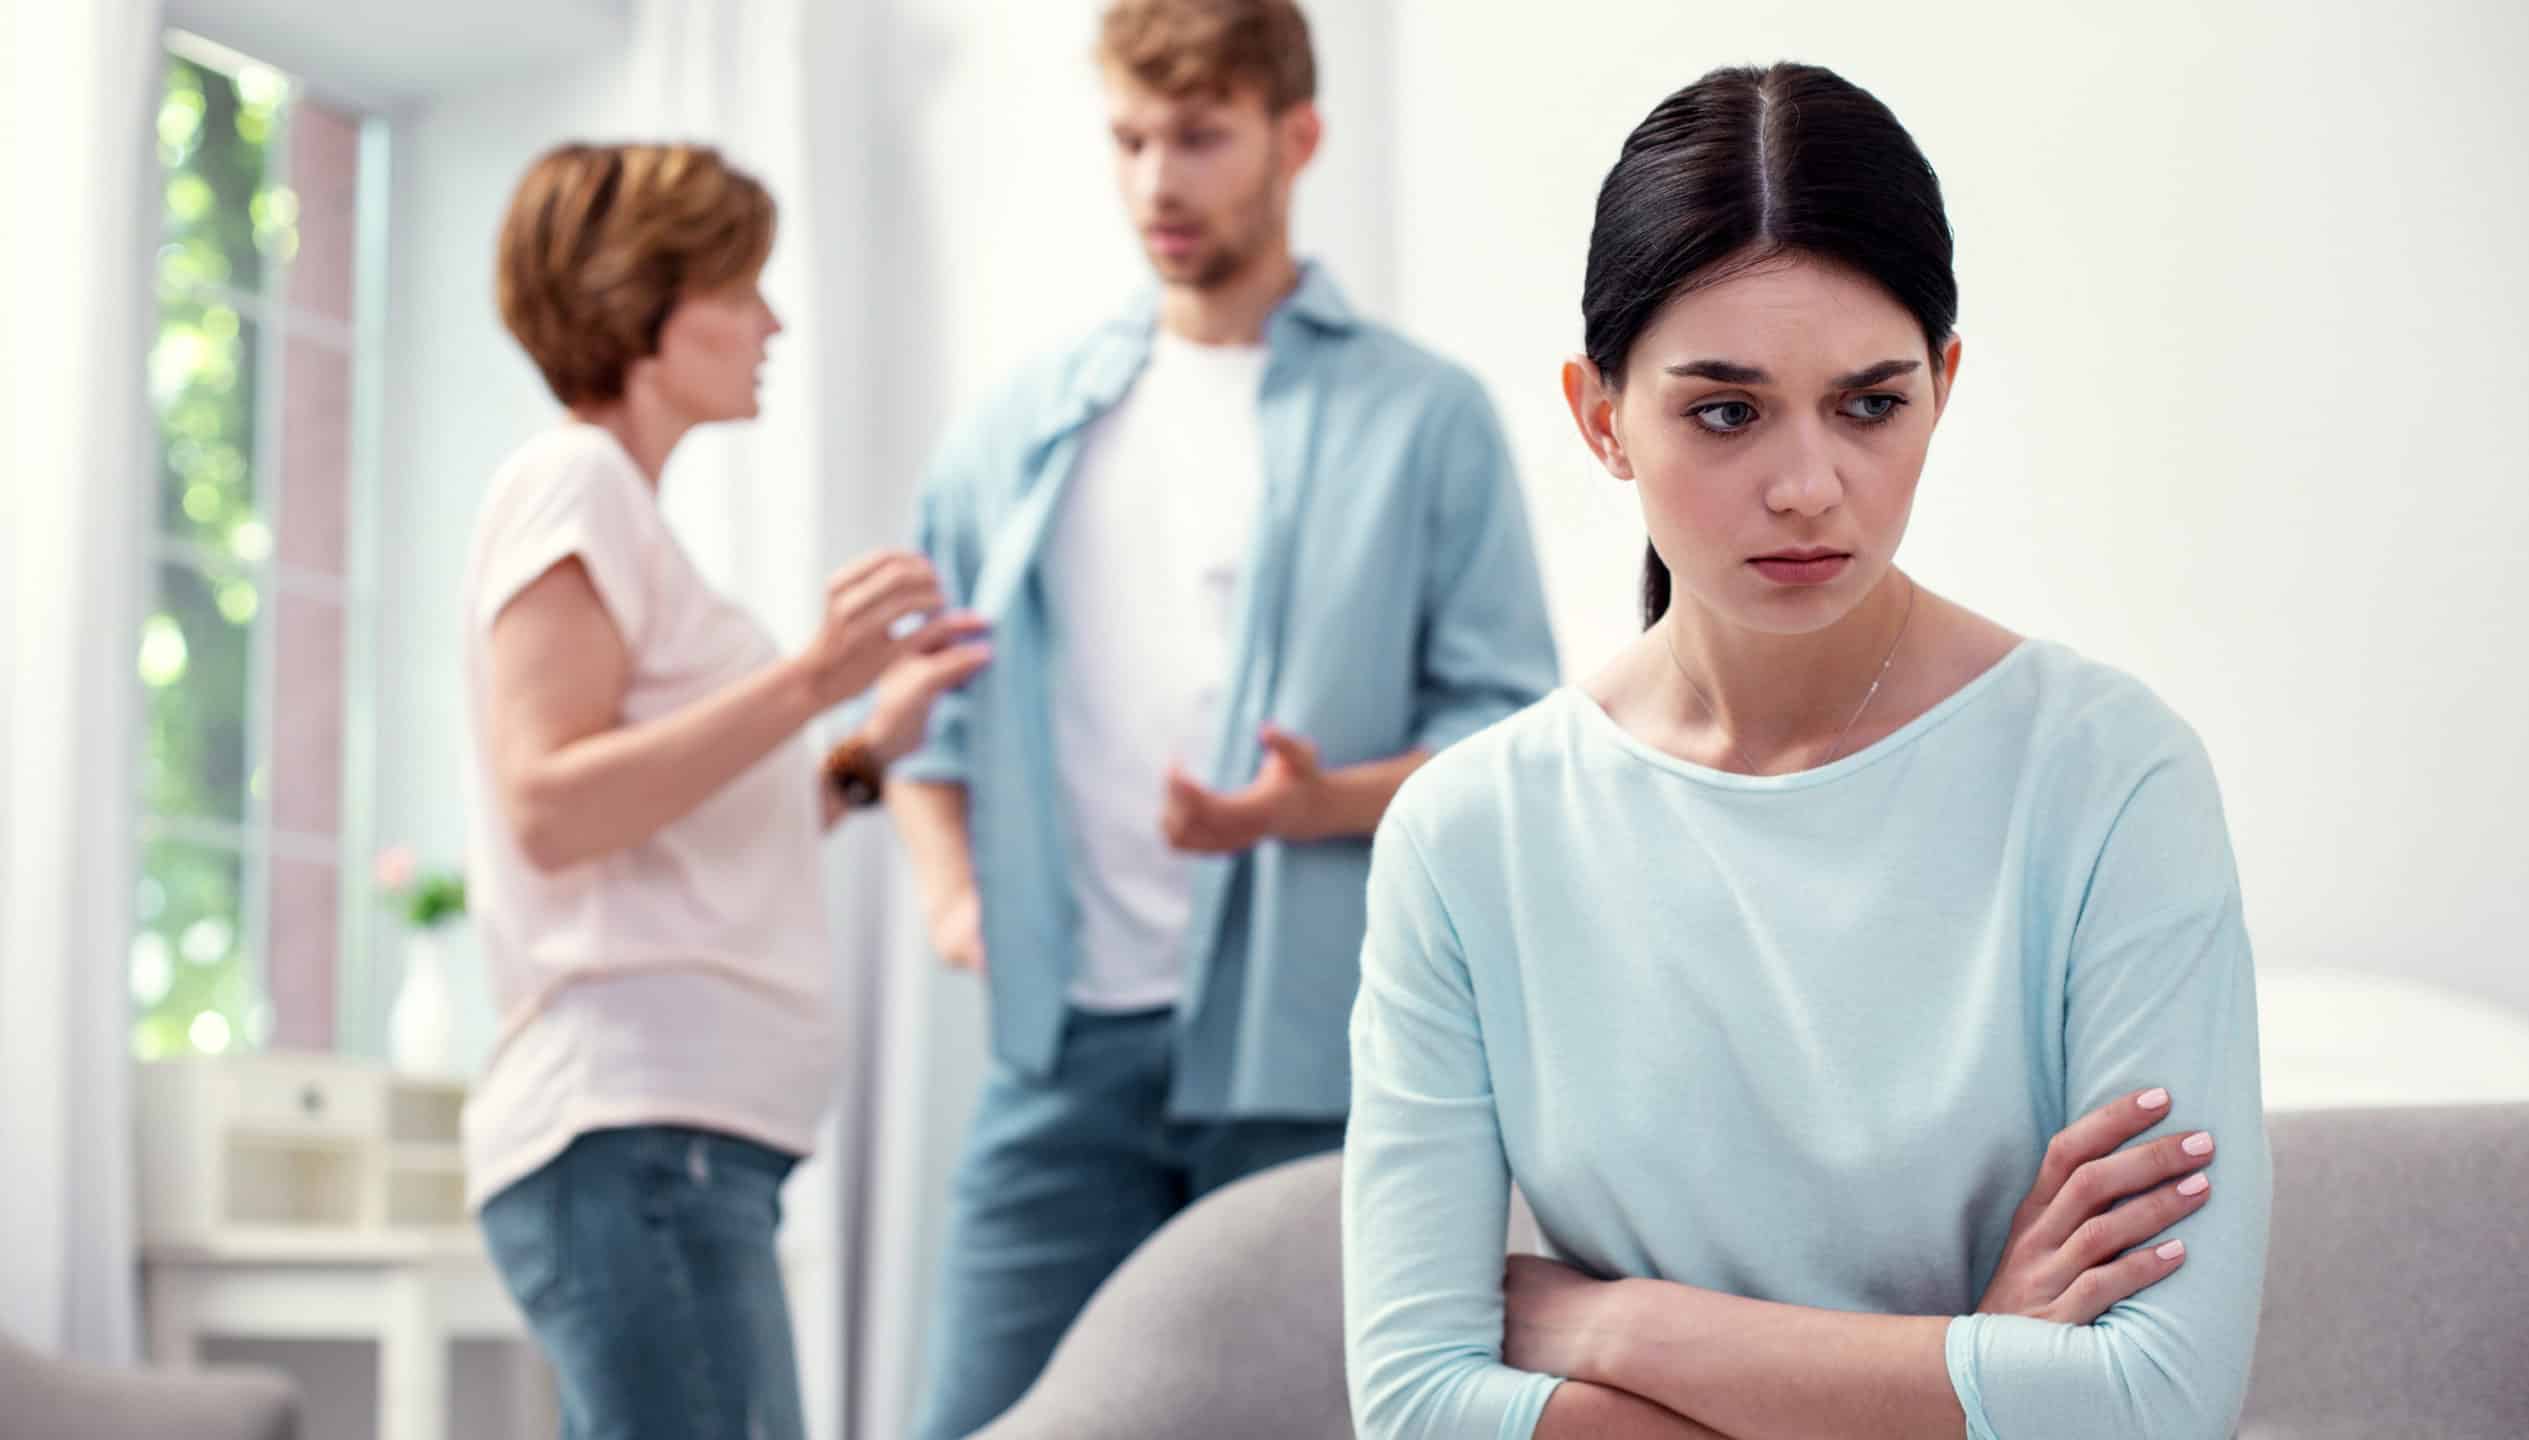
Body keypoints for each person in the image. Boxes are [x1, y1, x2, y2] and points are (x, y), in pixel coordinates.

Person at [1342, 63, 2271, 1440]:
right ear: (1601, 416)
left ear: (1941, 389)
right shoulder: (1470, 834)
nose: (1806, 485)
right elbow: (1416, 1406)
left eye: (1870, 405)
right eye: (1726, 411)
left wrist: (1622, 1327)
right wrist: (1976, 1366)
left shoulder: (2108, 779)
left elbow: (2155, 1402)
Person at [886, 2, 1560, 1433]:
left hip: (1308, 1063)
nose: (1156, 183)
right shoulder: (1009, 433)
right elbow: (927, 722)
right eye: (1129, 139)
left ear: (1295, 137)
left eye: (1197, 137)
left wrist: (1315, 805)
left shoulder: (1424, 418)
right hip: (1059, 1055)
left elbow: (1510, 737)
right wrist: (956, 905)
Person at [462, 142, 988, 1440]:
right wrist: (814, 678)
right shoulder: (571, 481)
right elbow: (554, 808)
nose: (774, 321)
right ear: (647, 300)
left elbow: (677, 819)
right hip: (634, 1136)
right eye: (743, 287)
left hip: (679, 1150)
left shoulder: (625, 516)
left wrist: (865, 748)